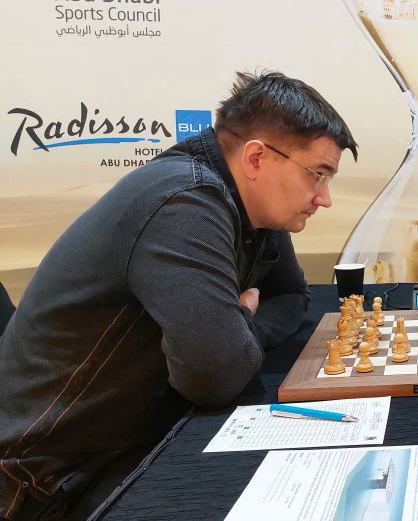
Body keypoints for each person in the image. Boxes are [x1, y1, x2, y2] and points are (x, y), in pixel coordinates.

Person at [0, 71, 358, 520]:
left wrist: (238, 328)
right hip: (45, 481)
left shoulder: (255, 209)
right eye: (317, 175)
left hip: (133, 442)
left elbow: (291, 295)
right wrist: (237, 326)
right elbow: (214, 376)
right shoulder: (185, 202)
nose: (324, 199)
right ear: (256, 158)